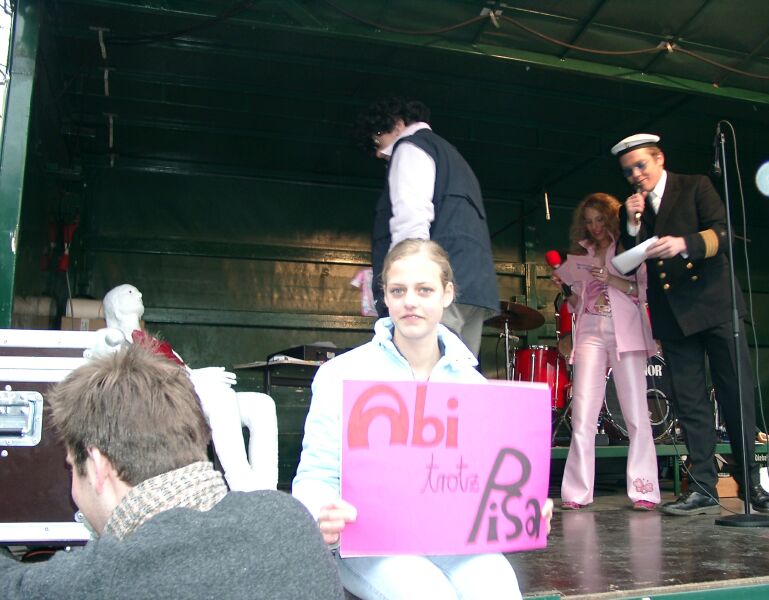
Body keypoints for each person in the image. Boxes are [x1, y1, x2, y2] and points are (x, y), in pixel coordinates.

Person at [292, 238, 553, 600]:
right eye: (398, 290)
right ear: (385, 296)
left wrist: (523, 510)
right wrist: (321, 512)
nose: (410, 301)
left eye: (424, 289)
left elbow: (486, 480)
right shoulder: (341, 374)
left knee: (498, 585)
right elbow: (315, 475)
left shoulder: (472, 384)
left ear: (447, 294)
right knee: (426, 593)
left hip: (453, 542)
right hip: (370, 543)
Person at [0, 343, 343, 599]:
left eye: (72, 468)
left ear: (99, 466)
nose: (74, 489)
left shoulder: (107, 579)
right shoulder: (288, 519)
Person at [612, 133, 769, 515]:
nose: (636, 175)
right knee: (689, 402)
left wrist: (684, 243)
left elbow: (723, 233)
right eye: (628, 171)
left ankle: (751, 484)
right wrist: (633, 225)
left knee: (735, 394)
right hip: (673, 315)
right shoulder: (632, 209)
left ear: (659, 159)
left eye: (640, 165)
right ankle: (703, 485)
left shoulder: (694, 186)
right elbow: (628, 263)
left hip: (715, 304)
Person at [91, 283, 278, 492]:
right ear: (116, 306)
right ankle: (243, 486)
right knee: (222, 397)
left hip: (187, 392)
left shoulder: (154, 341)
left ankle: (267, 491)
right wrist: (193, 378)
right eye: (130, 292)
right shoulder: (111, 340)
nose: (139, 294)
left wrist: (197, 376)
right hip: (161, 404)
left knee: (262, 404)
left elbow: (182, 369)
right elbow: (133, 382)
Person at [353, 97, 499, 358]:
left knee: (422, 371)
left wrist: (401, 282)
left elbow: (410, 219)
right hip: (475, 288)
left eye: (377, 138)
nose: (378, 151)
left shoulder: (410, 148)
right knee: (458, 370)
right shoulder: (453, 158)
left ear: (397, 123)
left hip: (435, 287)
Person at [555, 193, 661, 511]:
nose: (595, 227)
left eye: (600, 219)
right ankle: (577, 492)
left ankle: (644, 489)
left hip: (624, 330)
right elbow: (577, 303)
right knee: (583, 413)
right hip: (590, 330)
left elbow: (645, 289)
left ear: (611, 218)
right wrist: (566, 290)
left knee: (636, 413)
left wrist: (612, 280)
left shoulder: (629, 248)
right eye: (589, 221)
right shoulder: (581, 254)